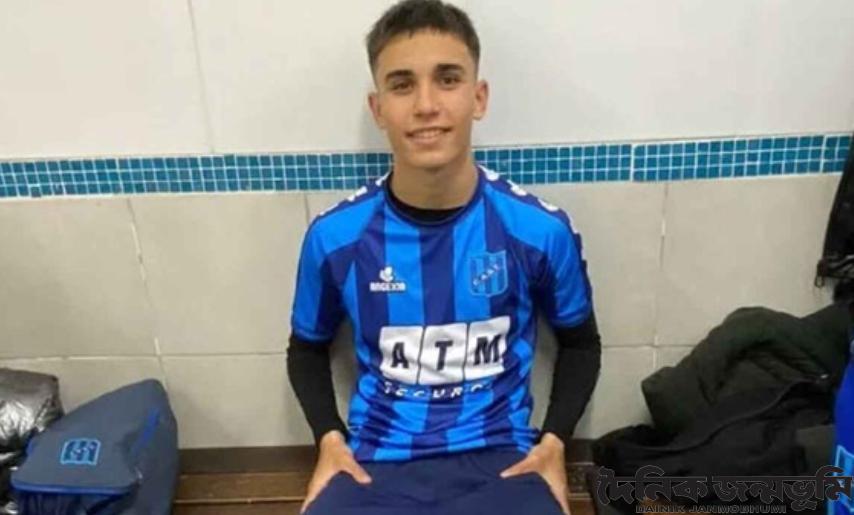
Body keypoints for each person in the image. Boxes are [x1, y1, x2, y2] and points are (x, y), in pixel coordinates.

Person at [286, 1, 602, 514]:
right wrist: (328, 439)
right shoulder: (336, 237)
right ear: (378, 109)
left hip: (503, 461)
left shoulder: (538, 231)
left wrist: (555, 443)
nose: (426, 105)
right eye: (402, 85)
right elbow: (305, 348)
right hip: (373, 465)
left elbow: (581, 343)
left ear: (479, 97)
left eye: (448, 79)